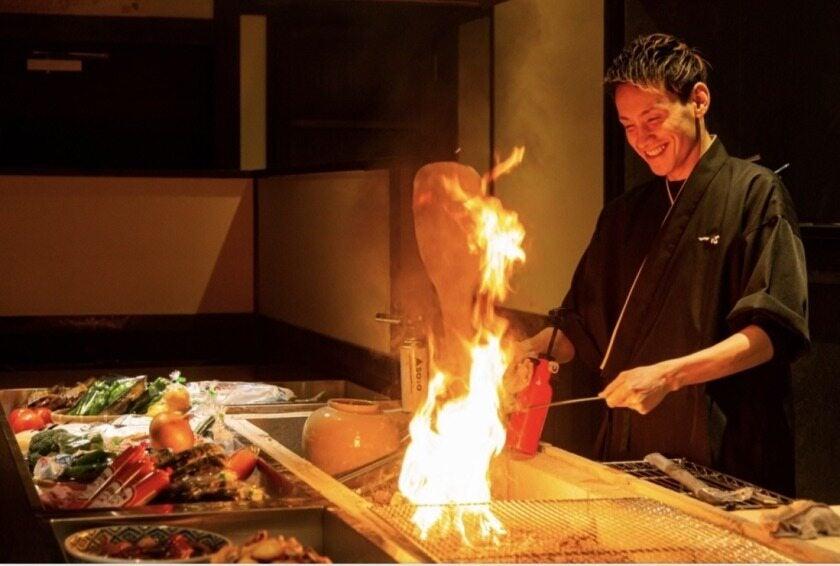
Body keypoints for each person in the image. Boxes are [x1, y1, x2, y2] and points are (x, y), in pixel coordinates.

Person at [522, 33, 809, 495]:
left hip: (728, 463)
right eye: (628, 125)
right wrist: (520, 354)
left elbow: (769, 334)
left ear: (698, 100)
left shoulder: (754, 194)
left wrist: (668, 375)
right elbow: (579, 329)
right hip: (630, 460)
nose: (642, 139)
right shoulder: (623, 215)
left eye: (653, 119)